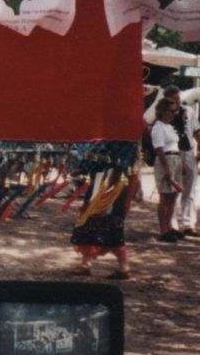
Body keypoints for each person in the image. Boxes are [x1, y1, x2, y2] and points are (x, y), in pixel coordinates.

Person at [70, 143, 138, 280]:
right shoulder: (129, 145)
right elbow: (133, 174)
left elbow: (91, 164)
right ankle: (88, 263)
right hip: (114, 186)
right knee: (104, 224)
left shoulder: (107, 143)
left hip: (107, 186)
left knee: (96, 222)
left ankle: (122, 266)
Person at [162, 85, 200, 237]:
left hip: (188, 151)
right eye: (174, 100)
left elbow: (196, 130)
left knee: (190, 188)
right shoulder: (164, 114)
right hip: (172, 153)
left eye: (178, 99)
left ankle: (188, 224)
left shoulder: (189, 111)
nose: (177, 102)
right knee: (172, 190)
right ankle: (171, 225)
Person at [151, 97, 185, 242]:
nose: (173, 114)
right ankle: (163, 229)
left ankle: (170, 226)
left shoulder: (169, 127)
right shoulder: (158, 127)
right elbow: (159, 149)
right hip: (166, 159)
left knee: (173, 196)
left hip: (175, 158)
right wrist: (166, 169)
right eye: (171, 111)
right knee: (165, 196)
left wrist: (182, 164)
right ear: (162, 111)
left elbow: (175, 146)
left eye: (174, 111)